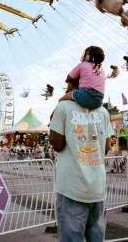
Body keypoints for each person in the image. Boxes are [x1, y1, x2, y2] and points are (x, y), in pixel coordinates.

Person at [49, 98, 112, 242]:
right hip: (97, 188)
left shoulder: (63, 106)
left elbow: (56, 143)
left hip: (71, 188)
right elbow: (107, 147)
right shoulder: (103, 111)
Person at [59, 46, 105, 110]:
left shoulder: (82, 65)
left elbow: (69, 78)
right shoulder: (101, 69)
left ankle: (58, 109)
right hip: (99, 101)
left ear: (87, 56)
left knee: (61, 100)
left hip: (85, 95)